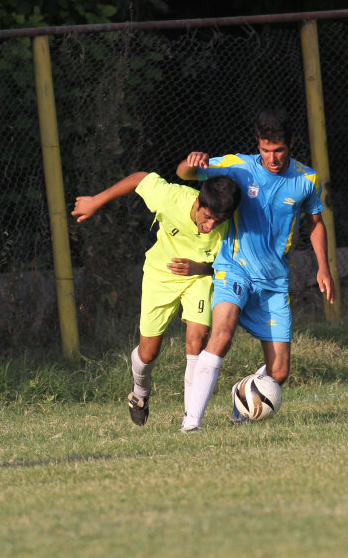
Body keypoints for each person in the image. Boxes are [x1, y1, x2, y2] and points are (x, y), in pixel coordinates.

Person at [175, 108, 336, 433]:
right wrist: (191, 162)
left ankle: (241, 398)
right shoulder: (239, 167)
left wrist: (324, 267)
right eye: (265, 150)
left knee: (279, 372)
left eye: (279, 150)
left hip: (273, 282)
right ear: (257, 144)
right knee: (222, 334)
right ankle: (191, 423)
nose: (272, 158)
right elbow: (185, 174)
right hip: (234, 270)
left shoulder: (306, 180)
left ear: (291, 144)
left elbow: (316, 223)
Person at [72, 172, 241, 426]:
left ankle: (191, 421)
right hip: (159, 275)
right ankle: (140, 392)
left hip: (198, 277)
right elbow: (140, 178)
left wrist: (197, 268)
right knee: (148, 354)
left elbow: (223, 266)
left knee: (197, 340)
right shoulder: (172, 198)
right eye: (207, 217)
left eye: (217, 221)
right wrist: (96, 200)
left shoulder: (226, 224)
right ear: (198, 203)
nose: (210, 226)